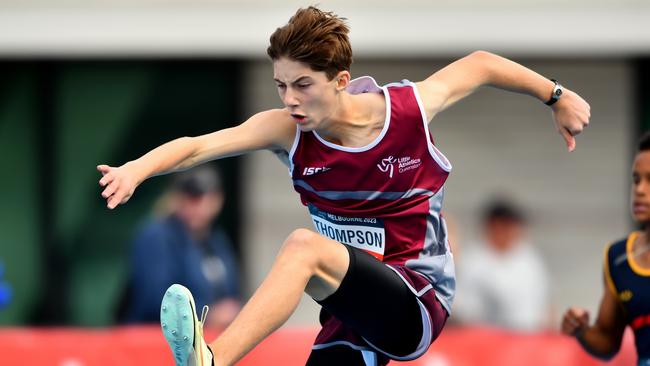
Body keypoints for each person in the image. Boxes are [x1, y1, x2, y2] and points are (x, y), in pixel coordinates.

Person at [97, 6, 590, 366]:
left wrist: (556, 96)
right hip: (351, 313)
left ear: (340, 80)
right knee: (312, 264)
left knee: (302, 248)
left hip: (417, 299)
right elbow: (198, 146)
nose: (290, 99)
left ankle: (213, 359)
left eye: (303, 85)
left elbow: (481, 64)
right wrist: (136, 170)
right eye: (280, 86)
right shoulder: (287, 131)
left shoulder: (408, 110)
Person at [561, 133, 650, 366]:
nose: (640, 190)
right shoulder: (619, 257)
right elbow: (608, 342)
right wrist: (580, 330)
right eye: (636, 179)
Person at [122, 165, 241, 329]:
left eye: (203, 197)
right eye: (191, 197)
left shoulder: (217, 240)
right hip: (157, 342)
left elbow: (230, 295)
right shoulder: (156, 236)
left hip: (204, 342)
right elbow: (154, 301)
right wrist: (207, 315)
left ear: (218, 199)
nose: (198, 205)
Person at [454, 198, 550, 331]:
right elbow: (464, 311)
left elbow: (545, 304)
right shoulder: (473, 261)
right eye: (507, 225)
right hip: (488, 341)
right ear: (494, 225)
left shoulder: (528, 258)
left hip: (529, 340)